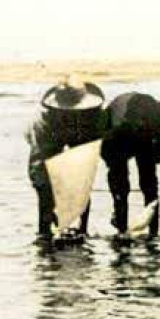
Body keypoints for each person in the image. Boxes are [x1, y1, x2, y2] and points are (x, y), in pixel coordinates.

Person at [27, 75, 106, 238]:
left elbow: (86, 168)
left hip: (79, 133)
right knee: (45, 188)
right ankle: (44, 231)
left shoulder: (91, 115)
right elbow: (39, 166)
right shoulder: (43, 122)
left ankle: (82, 229)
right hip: (47, 142)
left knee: (81, 180)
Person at [101, 91, 160, 237]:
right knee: (127, 186)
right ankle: (127, 228)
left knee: (145, 185)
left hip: (135, 133)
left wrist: (156, 156)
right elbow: (106, 148)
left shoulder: (158, 116)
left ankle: (144, 231)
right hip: (119, 135)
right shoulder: (118, 124)